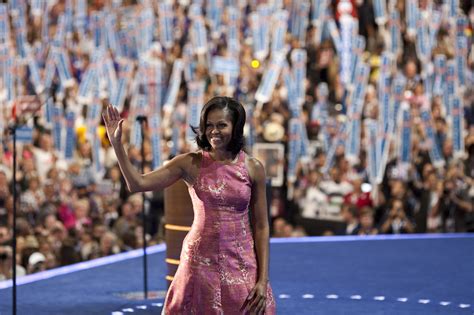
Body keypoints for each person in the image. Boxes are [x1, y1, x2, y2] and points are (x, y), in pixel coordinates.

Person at [103, 96, 276, 314]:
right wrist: (117, 145)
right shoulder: (190, 162)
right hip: (200, 262)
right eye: (209, 125)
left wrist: (262, 279)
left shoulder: (253, 167)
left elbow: (261, 226)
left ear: (236, 126)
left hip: (241, 261)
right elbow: (137, 183)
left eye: (222, 125)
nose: (214, 131)